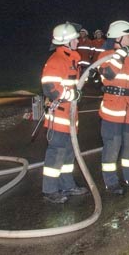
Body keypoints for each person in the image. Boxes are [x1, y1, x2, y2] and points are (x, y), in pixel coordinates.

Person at [39, 22, 90, 204]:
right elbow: (50, 89)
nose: (78, 40)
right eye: (75, 38)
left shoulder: (71, 59)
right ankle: (50, 190)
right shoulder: (57, 60)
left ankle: (67, 184)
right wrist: (72, 94)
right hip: (59, 117)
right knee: (56, 154)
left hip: (69, 116)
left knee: (68, 154)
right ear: (66, 41)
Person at [97, 20, 129, 195]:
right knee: (112, 146)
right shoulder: (106, 55)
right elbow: (109, 74)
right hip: (113, 109)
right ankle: (111, 182)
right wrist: (120, 55)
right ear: (119, 37)